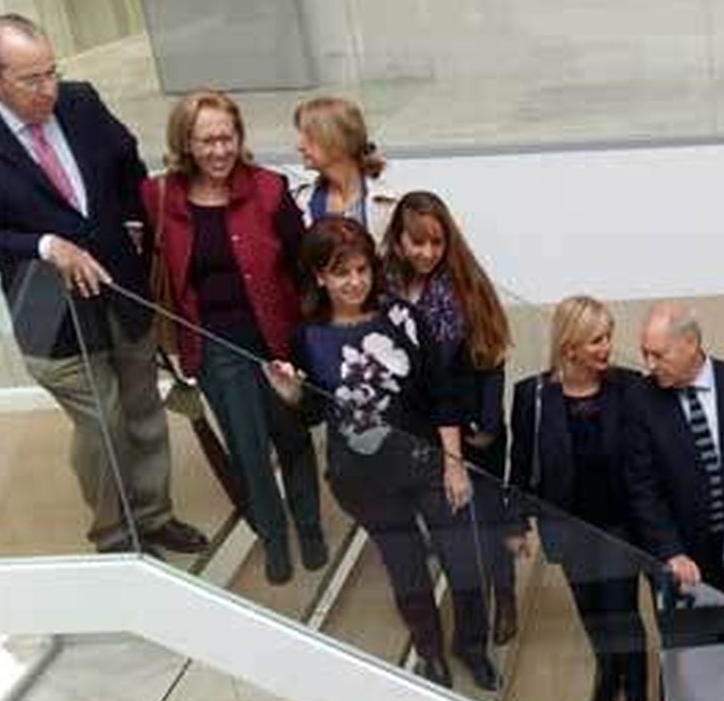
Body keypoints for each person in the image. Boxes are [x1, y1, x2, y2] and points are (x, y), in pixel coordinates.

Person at [0, 14, 207, 557]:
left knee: (143, 410)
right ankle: (114, 537)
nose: (49, 90)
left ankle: (155, 517)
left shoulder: (80, 101)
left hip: (120, 286)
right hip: (46, 308)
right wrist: (42, 246)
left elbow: (125, 162)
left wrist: (133, 220)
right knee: (103, 422)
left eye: (52, 72)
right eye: (31, 80)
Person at [265, 217, 497, 691]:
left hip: (427, 463)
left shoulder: (403, 317)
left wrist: (455, 465)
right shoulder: (308, 338)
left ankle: (471, 646)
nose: (355, 282)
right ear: (320, 277)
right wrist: (290, 394)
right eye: (341, 273)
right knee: (407, 572)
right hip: (363, 479)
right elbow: (312, 414)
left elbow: (441, 394)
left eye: (362, 270)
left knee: (465, 563)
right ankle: (429, 652)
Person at [140, 89, 323, 584]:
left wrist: (311, 337)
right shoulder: (160, 197)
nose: (219, 150)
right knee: (247, 446)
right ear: (185, 144)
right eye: (206, 141)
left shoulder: (269, 188)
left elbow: (304, 263)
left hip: (276, 335)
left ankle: (309, 526)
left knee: (292, 436)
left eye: (227, 138)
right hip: (215, 344)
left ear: (239, 138)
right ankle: (274, 535)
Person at [509, 296, 651, 701]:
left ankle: (637, 695)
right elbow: (520, 465)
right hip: (566, 529)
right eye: (597, 339)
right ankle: (608, 671)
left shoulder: (629, 388)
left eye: (608, 336)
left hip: (619, 527)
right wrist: (516, 523)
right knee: (590, 612)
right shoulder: (531, 396)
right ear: (569, 345)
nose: (608, 347)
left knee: (622, 613)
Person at [383, 191, 516, 644]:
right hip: (424, 425)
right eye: (417, 242)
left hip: (475, 422)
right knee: (457, 526)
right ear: (399, 240)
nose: (427, 253)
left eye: (436, 243)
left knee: (489, 516)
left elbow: (493, 356)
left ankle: (506, 595)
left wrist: (489, 423)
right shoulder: (386, 288)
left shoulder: (465, 284)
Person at [626, 301, 724, 592]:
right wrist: (671, 551)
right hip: (684, 560)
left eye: (659, 355)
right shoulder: (639, 399)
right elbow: (642, 488)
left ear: (691, 343)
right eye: (644, 353)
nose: (649, 364)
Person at [291, 96, 397, 239]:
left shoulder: (390, 205)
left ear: (338, 140)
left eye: (309, 137)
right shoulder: (297, 202)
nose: (300, 146)